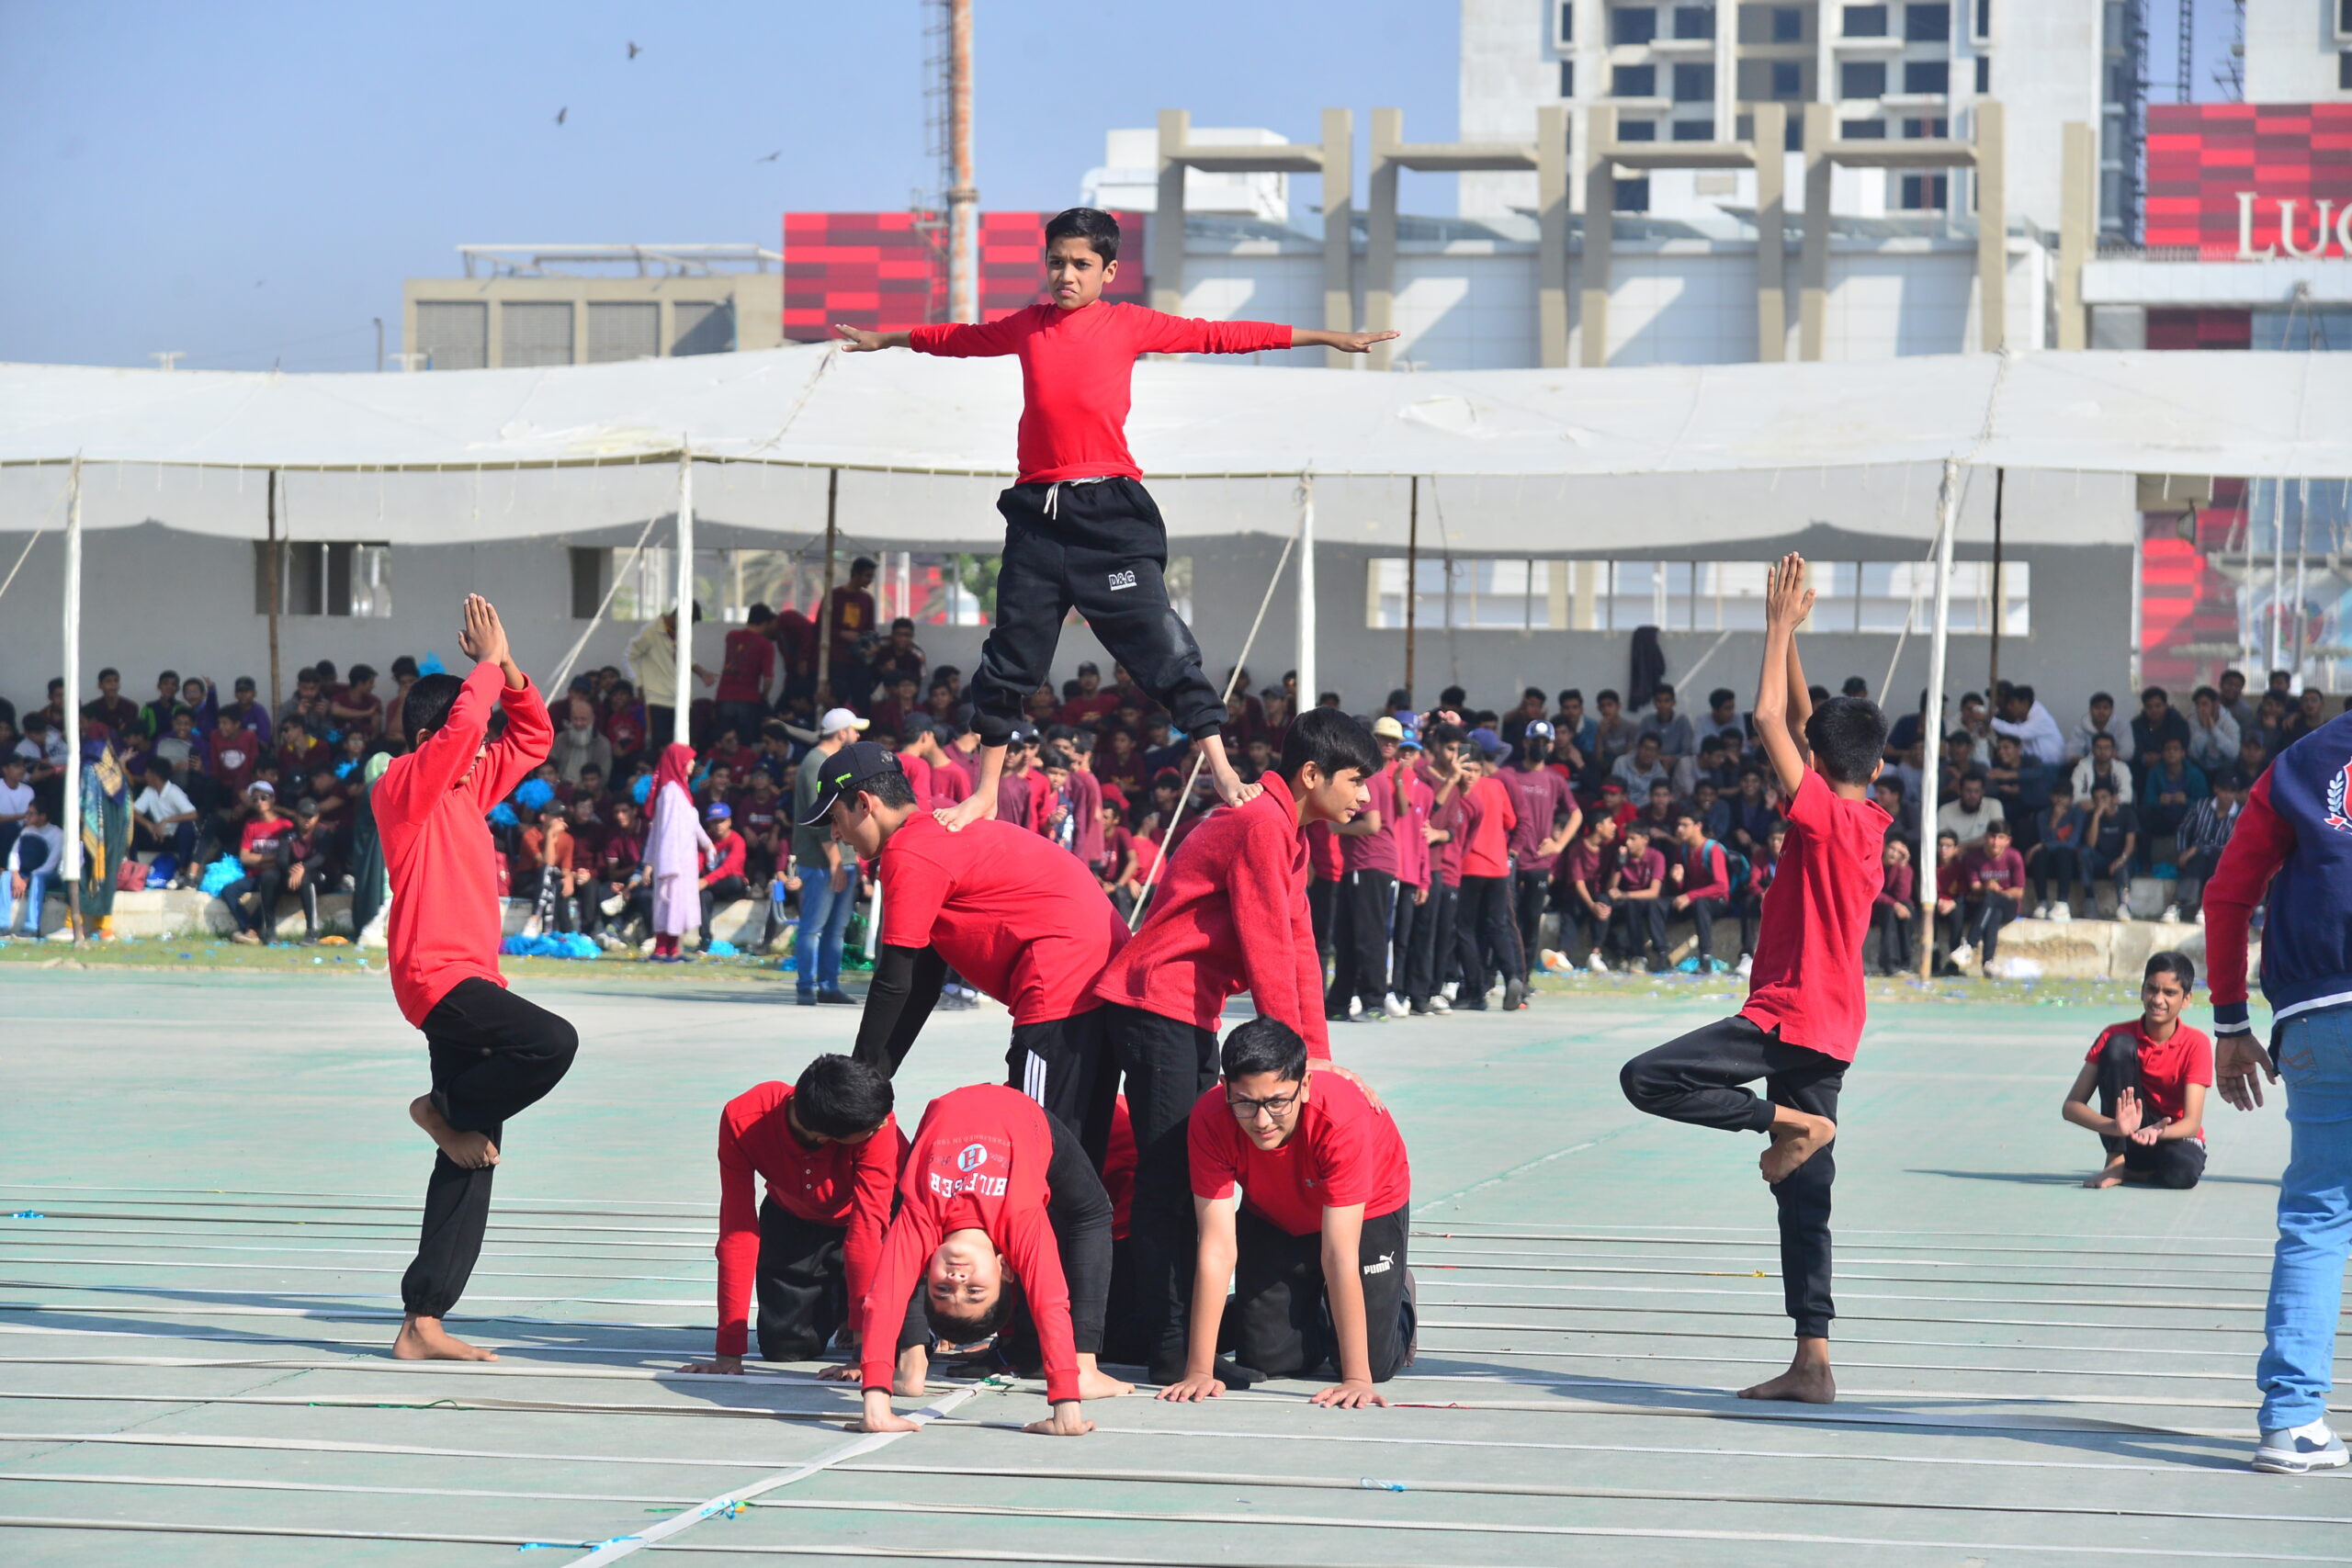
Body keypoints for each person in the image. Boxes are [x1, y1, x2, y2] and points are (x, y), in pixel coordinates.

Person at [835, 206, 1394, 828]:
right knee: (1010, 657)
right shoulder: (1028, 325)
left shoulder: (1128, 322)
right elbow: (957, 339)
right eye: (1056, 262)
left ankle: (1220, 767)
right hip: (1037, 516)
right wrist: (885, 339)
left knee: (1161, 642)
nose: (1066, 275)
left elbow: (1221, 335)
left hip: (1109, 514)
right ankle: (986, 791)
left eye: (1080, 264)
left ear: (1108, 271)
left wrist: (1326, 338)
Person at [1619, 554, 1889, 1405]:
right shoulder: (1867, 818)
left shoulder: (1822, 819)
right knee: (1805, 1197)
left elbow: (1771, 716)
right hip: (1835, 1026)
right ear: (1878, 765)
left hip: (1787, 1014)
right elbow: (1802, 721)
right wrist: (1796, 637)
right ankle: (1814, 1359)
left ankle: (1790, 1123)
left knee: (1648, 1077)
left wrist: (1773, 626)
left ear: (1817, 766)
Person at [1090, 705, 1378, 1379]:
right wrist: (1290, 1062)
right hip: (1157, 1001)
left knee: (1189, 1173)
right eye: (1357, 780)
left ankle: (1175, 1334)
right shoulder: (1260, 825)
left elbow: (1301, 952)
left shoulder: (1287, 832)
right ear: (1313, 774)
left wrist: (1316, 1060)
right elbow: (1266, 947)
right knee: (1170, 1178)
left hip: (1189, 1010)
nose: (1365, 797)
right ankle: (1169, 1348)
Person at [373, 594, 571, 1362]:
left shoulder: (465, 787)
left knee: (473, 1152)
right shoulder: (403, 786)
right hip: (437, 975)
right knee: (552, 1042)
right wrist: (483, 667)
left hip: (471, 976)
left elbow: (534, 736)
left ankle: (422, 1318)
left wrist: (508, 665)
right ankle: (439, 1109)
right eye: (467, 735)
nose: (481, 748)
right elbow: (464, 733)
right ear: (431, 738)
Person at [814, 743, 1130, 1163]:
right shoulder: (939, 833)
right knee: (1079, 1156)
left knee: (1036, 1150)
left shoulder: (908, 850)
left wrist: (854, 1085)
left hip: (1062, 986)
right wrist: (874, 1077)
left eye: (835, 819)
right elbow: (923, 981)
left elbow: (894, 981)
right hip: (1102, 981)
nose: (835, 834)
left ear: (864, 804)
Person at [2202, 697, 2352, 1474]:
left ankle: (2292, 1420)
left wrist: (2230, 1022)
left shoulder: (2299, 763)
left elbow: (2228, 893)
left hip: (2318, 1013)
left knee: (2318, 1213)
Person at [852, 1082, 1130, 1438]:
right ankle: (1083, 1370)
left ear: (927, 1269)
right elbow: (1049, 1302)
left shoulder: (920, 1217)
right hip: (1026, 1117)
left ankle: (912, 1357)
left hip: (951, 1106)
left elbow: (883, 1299)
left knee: (894, 1228)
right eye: (975, 1291)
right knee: (1093, 1211)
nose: (957, 1280)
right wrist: (1066, 1409)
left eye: (942, 1289)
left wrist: (876, 1407)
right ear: (1005, 1269)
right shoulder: (1021, 1218)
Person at [1161, 1016, 1413, 1408]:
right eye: (1245, 1103)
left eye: (1277, 1102)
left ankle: (1398, 1295)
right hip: (1275, 1213)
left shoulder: (1340, 1117)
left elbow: (1339, 1254)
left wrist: (1356, 1379)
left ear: (1305, 1086)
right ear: (1225, 1087)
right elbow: (1216, 1248)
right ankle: (1310, 1303)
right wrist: (1198, 1370)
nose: (1262, 1121)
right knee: (1270, 1360)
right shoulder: (1211, 1117)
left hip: (1367, 1211)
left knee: (1375, 1363)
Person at [680, 1055, 921, 1384]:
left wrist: (864, 1353)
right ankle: (838, 1301)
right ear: (826, 1137)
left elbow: (866, 1231)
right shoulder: (743, 1118)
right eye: (873, 1128)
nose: (884, 1125)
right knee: (785, 1347)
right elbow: (738, 1233)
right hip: (796, 1215)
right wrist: (728, 1353)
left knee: (901, 1342)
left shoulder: (879, 1122)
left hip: (880, 1217)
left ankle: (884, 1315)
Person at [2063, 953, 2211, 1191]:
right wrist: (2114, 1127)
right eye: (2152, 989)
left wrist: (2157, 1131)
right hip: (2127, 1140)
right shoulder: (2113, 1034)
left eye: (2169, 992)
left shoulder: (2196, 1043)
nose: (2158, 1000)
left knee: (2183, 1173)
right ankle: (2115, 1162)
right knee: (2119, 1045)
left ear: (2186, 999)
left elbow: (2191, 1123)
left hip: (2170, 1134)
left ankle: (2132, 1173)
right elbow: (2071, 1107)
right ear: (2142, 991)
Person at [1325, 717, 1404, 1022]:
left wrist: (1337, 826)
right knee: (1347, 934)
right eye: (1381, 737)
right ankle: (1339, 1001)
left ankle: (1374, 1000)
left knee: (1367, 934)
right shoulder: (1373, 773)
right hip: (1361, 864)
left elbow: (1372, 824)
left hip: (1370, 862)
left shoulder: (1368, 775)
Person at [793, 708, 868, 1006]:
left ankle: (829, 985)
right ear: (841, 733)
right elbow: (819, 819)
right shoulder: (815, 762)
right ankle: (806, 986)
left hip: (842, 858)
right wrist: (836, 861)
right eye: (854, 730)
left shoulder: (832, 762)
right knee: (813, 927)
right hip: (821, 861)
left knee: (835, 929)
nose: (857, 736)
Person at [1500, 722, 1578, 982]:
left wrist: (1559, 845)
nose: (1540, 747)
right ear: (1525, 742)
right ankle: (1501, 973)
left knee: (1531, 921)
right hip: (1510, 859)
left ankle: (1524, 978)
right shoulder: (1508, 773)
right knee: (1505, 919)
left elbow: (1576, 814)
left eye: (1545, 743)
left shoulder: (1555, 779)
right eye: (1536, 741)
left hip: (1539, 862)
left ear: (1552, 746)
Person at [1453, 735, 1524, 1010]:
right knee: (1497, 926)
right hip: (1498, 866)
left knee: (1465, 929)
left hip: (1469, 866)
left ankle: (1475, 990)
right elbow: (1511, 821)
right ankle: (1512, 975)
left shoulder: (1459, 790)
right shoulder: (1496, 786)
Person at [643, 743, 710, 963]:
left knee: (677, 905)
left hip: (682, 858)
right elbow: (665, 830)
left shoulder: (680, 790)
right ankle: (663, 948)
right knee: (669, 903)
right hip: (673, 859)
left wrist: (707, 844)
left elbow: (692, 823)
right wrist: (667, 864)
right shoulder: (671, 792)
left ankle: (672, 948)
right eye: (689, 759)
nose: (693, 763)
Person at [628, 603, 712, 750]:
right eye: (689, 623)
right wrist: (639, 683)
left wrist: (702, 673)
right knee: (661, 747)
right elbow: (629, 656)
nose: (689, 627)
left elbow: (685, 657)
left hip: (681, 700)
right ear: (679, 616)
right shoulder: (651, 630)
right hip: (658, 700)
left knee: (684, 746)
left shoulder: (679, 633)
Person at [1951, 818, 2026, 973]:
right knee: (1993, 912)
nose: (1995, 842)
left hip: (2009, 904)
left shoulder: (2014, 857)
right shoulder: (1973, 857)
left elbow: (2019, 891)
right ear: (1986, 837)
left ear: (2008, 841)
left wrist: (1999, 892)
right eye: (1992, 837)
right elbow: (1975, 886)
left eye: (2000, 838)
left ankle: (1969, 945)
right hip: (1984, 904)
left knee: (1993, 899)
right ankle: (1988, 963)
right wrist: (1986, 887)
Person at [2168, 768, 2244, 922]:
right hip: (2197, 857)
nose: (2228, 795)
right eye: (2225, 790)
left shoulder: (2241, 815)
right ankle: (2177, 905)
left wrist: (2198, 848)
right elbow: (2183, 830)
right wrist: (2182, 852)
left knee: (2215, 858)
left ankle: (2206, 906)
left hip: (2223, 859)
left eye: (2232, 791)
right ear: (2216, 790)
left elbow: (2239, 845)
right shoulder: (2201, 806)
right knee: (2199, 859)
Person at [1666, 809, 1733, 972]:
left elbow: (1722, 886)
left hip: (1716, 902)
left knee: (1701, 904)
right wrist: (1677, 881)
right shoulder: (1682, 849)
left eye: (1685, 825)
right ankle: (1661, 956)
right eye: (1678, 825)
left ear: (1698, 826)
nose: (1679, 829)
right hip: (1692, 900)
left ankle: (1705, 958)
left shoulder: (1713, 849)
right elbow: (1681, 887)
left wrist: (1690, 896)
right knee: (1658, 905)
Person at [1604, 820, 1668, 970]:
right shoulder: (1623, 856)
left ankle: (1644, 956)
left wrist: (1626, 895)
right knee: (1603, 906)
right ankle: (1619, 953)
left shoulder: (1657, 857)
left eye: (1632, 839)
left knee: (1634, 905)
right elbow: (1611, 889)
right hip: (1625, 901)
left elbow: (1654, 892)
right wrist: (1619, 866)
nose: (1628, 843)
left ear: (1645, 839)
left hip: (1646, 901)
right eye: (1627, 838)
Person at [716, 604, 780, 744]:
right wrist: (764, 696)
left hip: (724, 696)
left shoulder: (731, 636)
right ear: (765, 623)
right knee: (744, 743)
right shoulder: (765, 645)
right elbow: (768, 678)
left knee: (724, 742)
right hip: (748, 699)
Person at [1, 798, 62, 937]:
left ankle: (31, 926)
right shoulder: (27, 831)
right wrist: (15, 875)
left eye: (31, 813)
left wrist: (28, 879)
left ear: (43, 816)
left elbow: (51, 864)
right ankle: (3, 924)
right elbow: (14, 854)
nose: (26, 816)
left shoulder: (57, 834)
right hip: (25, 873)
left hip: (47, 876)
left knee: (38, 879)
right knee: (5, 877)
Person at [697, 803, 750, 951]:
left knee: (735, 881)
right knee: (703, 894)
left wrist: (706, 881)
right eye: (714, 821)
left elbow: (730, 867)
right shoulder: (705, 839)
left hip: (731, 885)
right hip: (711, 887)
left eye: (722, 820)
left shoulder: (737, 840)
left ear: (729, 821)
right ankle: (705, 938)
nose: (718, 825)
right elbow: (698, 862)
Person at [1869, 837, 1914, 975]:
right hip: (1875, 908)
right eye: (1892, 849)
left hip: (1894, 909)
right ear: (1885, 848)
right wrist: (1894, 905)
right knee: (1889, 911)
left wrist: (1902, 867)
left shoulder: (1904, 869)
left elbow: (1902, 896)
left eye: (1899, 852)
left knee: (1907, 907)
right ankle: (1890, 963)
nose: (1894, 854)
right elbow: (1873, 890)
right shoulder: (1874, 864)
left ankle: (1906, 962)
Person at [2067, 692, 2134, 767]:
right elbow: (2072, 753)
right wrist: (2095, 762)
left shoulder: (2122, 725)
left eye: (2105, 708)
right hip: (2087, 766)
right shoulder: (2080, 727)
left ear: (2112, 711)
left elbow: (2127, 753)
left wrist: (2104, 760)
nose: (2101, 712)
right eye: (2097, 708)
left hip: (2116, 765)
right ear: (2090, 710)